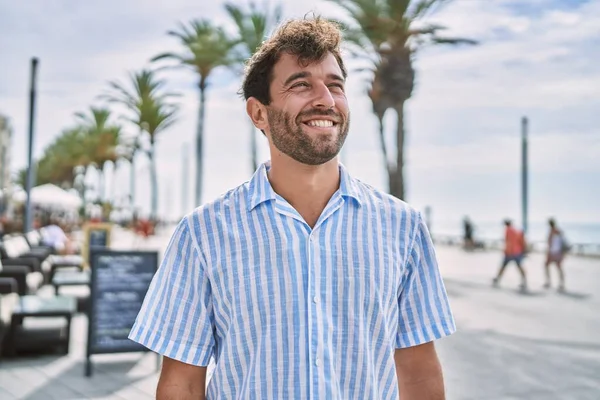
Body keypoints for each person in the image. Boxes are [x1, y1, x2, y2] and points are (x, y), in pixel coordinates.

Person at [129, 17, 455, 400]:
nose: (326, 99)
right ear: (258, 113)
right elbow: (181, 383)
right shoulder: (203, 233)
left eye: (335, 85)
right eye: (301, 85)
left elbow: (417, 372)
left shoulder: (404, 227)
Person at [492, 219, 528, 291]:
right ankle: (524, 281)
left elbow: (508, 241)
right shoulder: (516, 230)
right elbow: (521, 240)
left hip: (510, 252)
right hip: (517, 251)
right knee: (519, 267)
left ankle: (497, 279)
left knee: (503, 266)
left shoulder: (508, 230)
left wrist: (506, 251)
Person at [544, 218, 567, 291]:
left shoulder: (556, 231)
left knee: (558, 268)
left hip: (556, 252)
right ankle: (552, 282)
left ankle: (559, 283)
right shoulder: (555, 231)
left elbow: (560, 242)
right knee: (554, 267)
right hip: (554, 252)